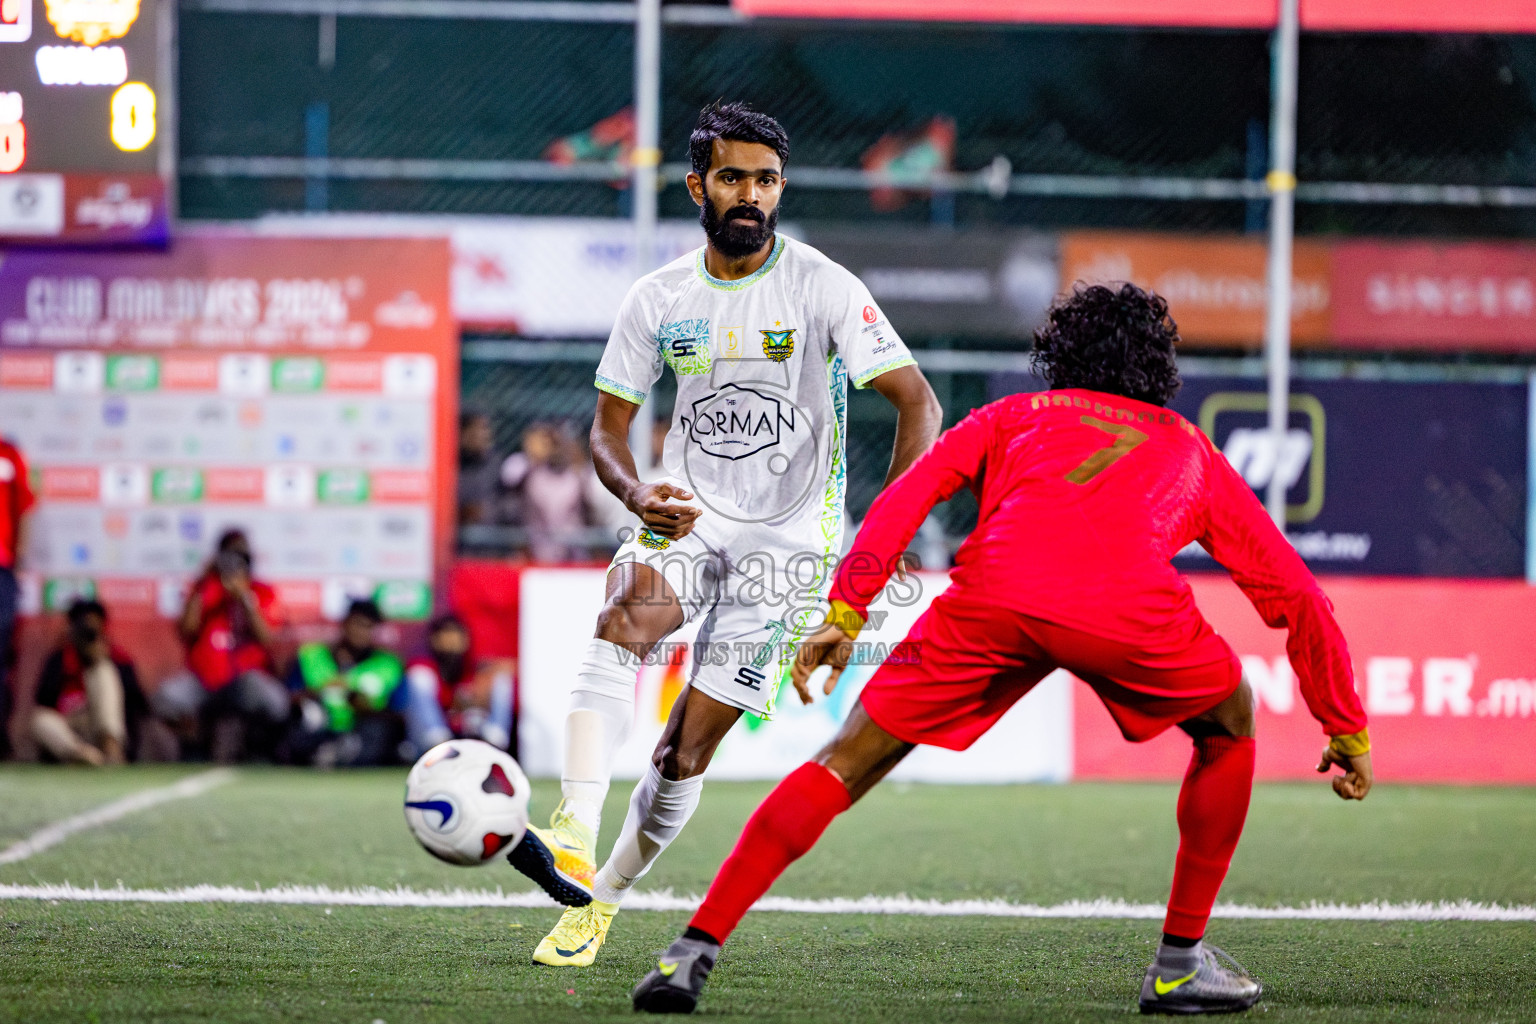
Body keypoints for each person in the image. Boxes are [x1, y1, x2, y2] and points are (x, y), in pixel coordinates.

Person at [630, 283, 1373, 1015]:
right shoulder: (1192, 452)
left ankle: (693, 947)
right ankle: (1178, 966)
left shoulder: (1013, 416)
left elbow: (906, 497)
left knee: (843, 763)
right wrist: (1344, 724)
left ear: (1059, 353)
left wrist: (848, 608)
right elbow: (1297, 596)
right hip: (1128, 611)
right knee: (1229, 720)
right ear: (1159, 366)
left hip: (995, 596)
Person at [508, 100, 943, 969]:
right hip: (689, 515)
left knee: (683, 750)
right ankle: (572, 829)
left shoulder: (823, 284)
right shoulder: (659, 296)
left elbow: (919, 404)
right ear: (698, 184)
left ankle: (596, 907)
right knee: (626, 616)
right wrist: (635, 494)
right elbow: (606, 429)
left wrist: (880, 535)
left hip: (790, 545)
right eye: (735, 178)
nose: (751, 195)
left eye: (767, 180)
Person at [155, 529, 289, 762]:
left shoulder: (260, 591)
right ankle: (193, 744)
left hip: (243, 681)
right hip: (204, 682)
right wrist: (202, 585)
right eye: (229, 555)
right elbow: (186, 631)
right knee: (166, 698)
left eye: (241, 555)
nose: (235, 562)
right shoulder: (204, 589)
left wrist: (244, 598)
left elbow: (266, 638)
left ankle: (258, 749)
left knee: (275, 701)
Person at [287, 599, 404, 767]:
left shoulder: (388, 664)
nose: (362, 632)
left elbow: (400, 714)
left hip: (364, 728)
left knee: (379, 732)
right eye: (357, 624)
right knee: (307, 718)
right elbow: (290, 698)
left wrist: (364, 705)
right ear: (344, 623)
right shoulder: (311, 655)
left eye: (369, 627)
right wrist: (322, 692)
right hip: (321, 724)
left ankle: (340, 753)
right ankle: (323, 752)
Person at [32, 599, 150, 765]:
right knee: (39, 720)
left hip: (102, 729)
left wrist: (100, 659)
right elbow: (43, 701)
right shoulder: (59, 659)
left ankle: (111, 750)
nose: (89, 634)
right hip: (70, 729)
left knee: (103, 671)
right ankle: (83, 755)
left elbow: (137, 702)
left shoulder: (116, 658)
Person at [396, 613, 512, 757]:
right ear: (434, 640)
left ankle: (495, 744)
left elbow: (508, 668)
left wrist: (480, 695)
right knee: (419, 677)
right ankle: (437, 743)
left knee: (501, 680)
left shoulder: (476, 669)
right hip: (432, 743)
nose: (451, 641)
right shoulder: (424, 667)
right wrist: (457, 701)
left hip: (472, 736)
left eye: (455, 635)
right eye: (445, 635)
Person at [0, 435, 36, 760]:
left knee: (1, 656)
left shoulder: (9, 453)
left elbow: (24, 507)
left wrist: (18, 560)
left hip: (1, 570)